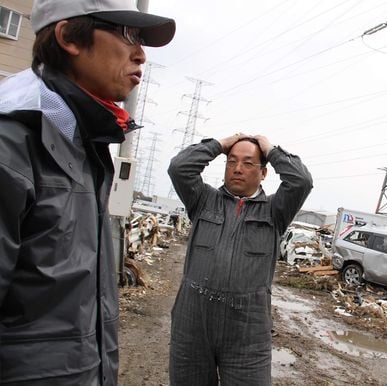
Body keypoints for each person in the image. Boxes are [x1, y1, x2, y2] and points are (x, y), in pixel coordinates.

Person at [0, 1, 175, 385]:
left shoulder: (82, 143)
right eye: (128, 34)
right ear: (68, 37)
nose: (141, 54)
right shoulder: (12, 147)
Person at [168, 134, 313, 385]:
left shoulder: (275, 211)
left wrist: (270, 150)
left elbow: (300, 181)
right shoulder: (203, 201)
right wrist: (219, 145)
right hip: (192, 327)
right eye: (231, 161)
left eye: (248, 163)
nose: (237, 168)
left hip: (247, 333)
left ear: (264, 172)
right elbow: (179, 167)